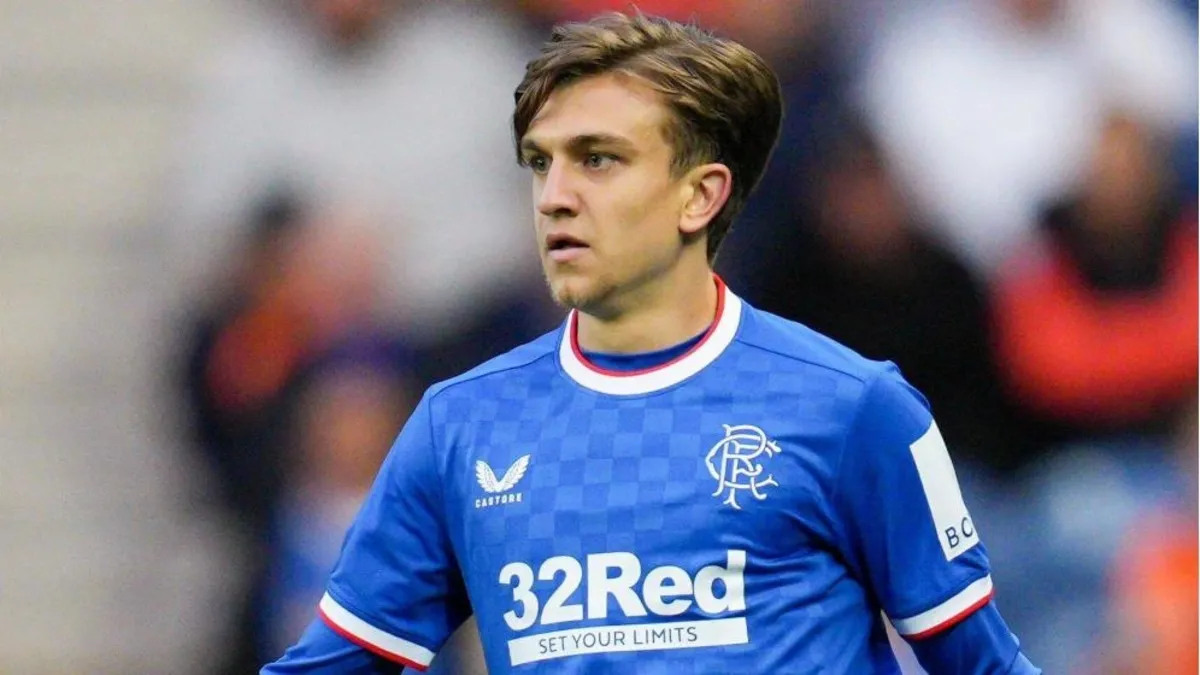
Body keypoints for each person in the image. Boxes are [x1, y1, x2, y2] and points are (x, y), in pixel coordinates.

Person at [263, 12, 1039, 673]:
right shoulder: (459, 427)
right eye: (542, 163)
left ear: (700, 195)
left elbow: (984, 662)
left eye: (598, 159)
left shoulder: (855, 408)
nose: (556, 196)